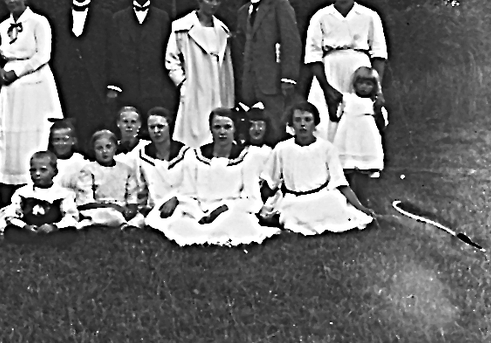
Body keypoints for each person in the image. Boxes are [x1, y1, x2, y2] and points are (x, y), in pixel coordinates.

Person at [146, 108, 281, 247]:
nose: (222, 132)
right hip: (198, 209)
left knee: (235, 226)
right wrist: (188, 206)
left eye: (227, 127)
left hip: (229, 211)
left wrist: (225, 207)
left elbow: (253, 200)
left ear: (235, 129)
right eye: (217, 127)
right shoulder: (194, 156)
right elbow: (188, 191)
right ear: (210, 129)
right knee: (174, 221)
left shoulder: (247, 158)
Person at [0, 0, 63, 205]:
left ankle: (38, 184)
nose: (12, 1)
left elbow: (43, 55)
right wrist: (1, 71)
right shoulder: (2, 26)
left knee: (35, 134)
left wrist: (18, 72)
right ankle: (10, 186)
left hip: (35, 82)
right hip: (11, 88)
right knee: (10, 134)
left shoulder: (39, 22)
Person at [304, 0, 389, 142]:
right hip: (330, 71)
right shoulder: (320, 16)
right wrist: (326, 88)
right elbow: (313, 55)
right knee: (326, 119)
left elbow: (379, 53)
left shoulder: (369, 15)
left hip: (360, 71)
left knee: (359, 116)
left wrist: (376, 87)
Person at [260, 102, 374, 235]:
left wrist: (360, 207)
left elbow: (340, 183)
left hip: (322, 198)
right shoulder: (282, 148)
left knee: (337, 214)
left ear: (315, 123)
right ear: (291, 124)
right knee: (291, 220)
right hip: (294, 200)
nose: (303, 124)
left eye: (307, 120)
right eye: (297, 120)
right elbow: (269, 182)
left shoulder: (327, 148)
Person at [233, 0, 302, 144]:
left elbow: (291, 42)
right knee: (251, 129)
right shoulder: (243, 11)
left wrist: (288, 77)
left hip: (273, 81)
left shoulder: (280, 5)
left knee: (275, 127)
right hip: (249, 83)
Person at [165, 0, 235, 149]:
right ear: (199, 1)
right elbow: (171, 58)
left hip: (218, 86)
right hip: (194, 85)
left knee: (216, 123)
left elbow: (227, 63)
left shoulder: (222, 30)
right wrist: (182, 83)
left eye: (218, 0)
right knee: (193, 128)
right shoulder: (182, 27)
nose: (214, 4)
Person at [51, 0, 114, 145]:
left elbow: (114, 51)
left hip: (96, 82)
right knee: (69, 126)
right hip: (66, 82)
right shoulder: (57, 18)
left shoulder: (106, 17)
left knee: (96, 125)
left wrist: (112, 85)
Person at [109, 0, 175, 122]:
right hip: (127, 85)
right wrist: (115, 85)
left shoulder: (163, 18)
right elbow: (112, 53)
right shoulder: (118, 18)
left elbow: (168, 51)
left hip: (155, 86)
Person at [1, 151, 80, 247]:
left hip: (52, 230)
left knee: (70, 232)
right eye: (33, 170)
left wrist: (54, 227)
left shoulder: (63, 193)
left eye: (43, 170)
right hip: (29, 229)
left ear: (55, 172)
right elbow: (11, 215)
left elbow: (71, 217)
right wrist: (25, 226)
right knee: (10, 231)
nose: (37, 174)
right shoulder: (22, 192)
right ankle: (33, 240)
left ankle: (46, 241)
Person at [331, 66, 388, 197]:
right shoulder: (347, 99)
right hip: (348, 135)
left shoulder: (374, 102)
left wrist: (378, 108)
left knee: (364, 169)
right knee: (346, 168)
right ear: (354, 84)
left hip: (365, 137)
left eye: (368, 84)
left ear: (374, 86)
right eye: (361, 83)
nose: (364, 87)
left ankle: (362, 197)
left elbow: (382, 124)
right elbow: (337, 114)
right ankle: (346, 197)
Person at [127, 107, 188, 227]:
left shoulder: (186, 153)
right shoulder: (141, 155)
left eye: (160, 127)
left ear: (169, 127)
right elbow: (140, 188)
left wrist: (176, 198)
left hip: (183, 205)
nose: (156, 131)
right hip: (155, 207)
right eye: (152, 127)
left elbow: (192, 185)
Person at [74, 129, 140, 227]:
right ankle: (121, 225)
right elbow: (85, 202)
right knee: (105, 216)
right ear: (93, 150)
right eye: (99, 148)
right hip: (98, 209)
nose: (104, 151)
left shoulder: (126, 169)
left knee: (139, 219)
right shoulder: (88, 170)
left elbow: (132, 196)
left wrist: (131, 209)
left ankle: (126, 226)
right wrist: (112, 207)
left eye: (108, 147)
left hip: (122, 209)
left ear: (115, 147)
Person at [47, 118, 88, 199]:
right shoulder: (47, 161)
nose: (61, 144)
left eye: (65, 139)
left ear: (73, 141)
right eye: (56, 140)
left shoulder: (80, 162)